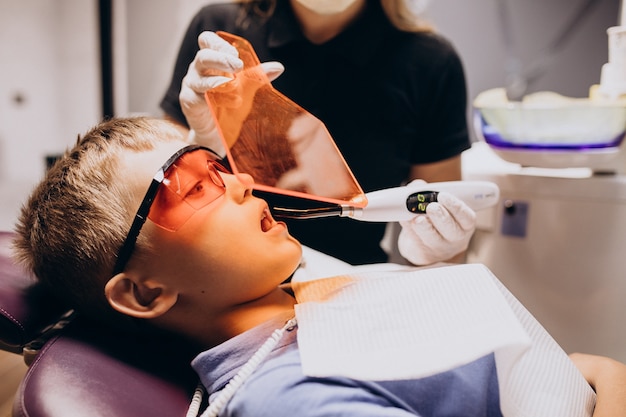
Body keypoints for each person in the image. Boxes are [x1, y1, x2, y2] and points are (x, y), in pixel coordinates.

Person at [13, 117, 626, 417]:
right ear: (145, 293)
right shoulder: (293, 395)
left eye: (218, 164)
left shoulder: (298, 295)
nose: (243, 182)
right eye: (189, 186)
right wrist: (607, 382)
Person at [160, 0, 474, 266]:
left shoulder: (430, 64)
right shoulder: (221, 35)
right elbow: (157, 205)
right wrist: (199, 141)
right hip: (222, 277)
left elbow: (440, 212)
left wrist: (434, 250)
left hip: (353, 287)